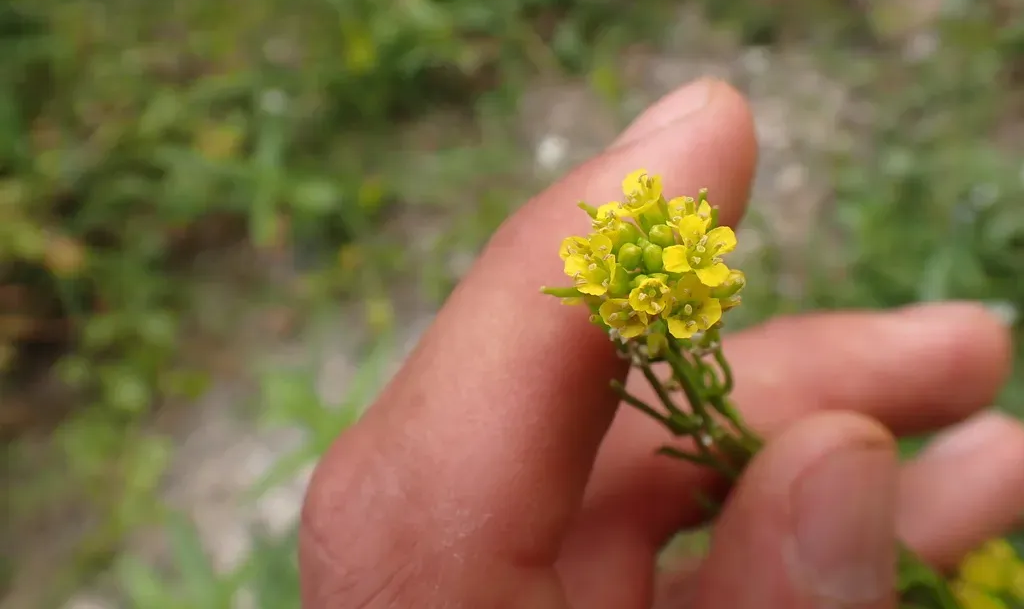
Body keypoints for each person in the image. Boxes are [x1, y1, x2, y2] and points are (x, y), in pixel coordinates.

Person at [298, 79, 1024, 608]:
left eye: (653, 294)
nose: (649, 297)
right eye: (641, 298)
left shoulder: (681, 289)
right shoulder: (658, 307)